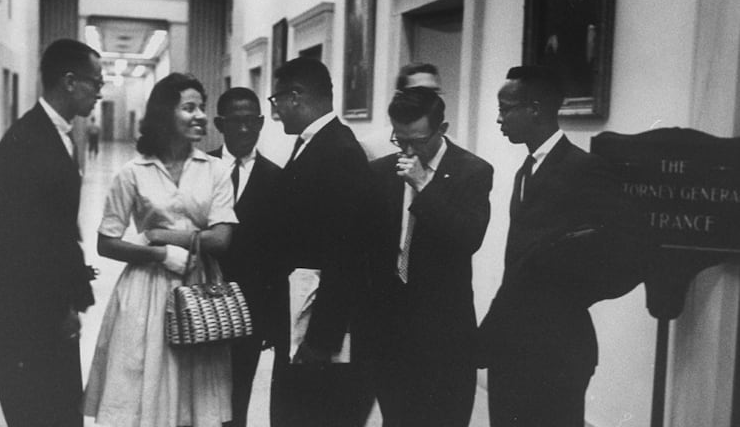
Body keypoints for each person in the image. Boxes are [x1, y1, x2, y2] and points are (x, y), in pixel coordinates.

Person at [480, 65, 646, 427]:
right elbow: (519, 266)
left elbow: (633, 252)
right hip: (511, 347)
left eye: (506, 108)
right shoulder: (526, 170)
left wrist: (573, 295)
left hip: (558, 352)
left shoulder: (583, 168)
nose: (499, 118)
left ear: (535, 109)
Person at [83, 73, 238, 427]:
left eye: (202, 107)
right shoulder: (132, 173)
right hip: (146, 293)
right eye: (189, 107)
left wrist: (159, 235)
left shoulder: (216, 170)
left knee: (193, 395)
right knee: (144, 385)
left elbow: (222, 239)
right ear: (165, 113)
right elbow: (106, 242)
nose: (200, 115)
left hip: (200, 290)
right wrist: (157, 253)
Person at [0, 38, 100, 426]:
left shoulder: (55, 134)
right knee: (42, 413)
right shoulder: (27, 142)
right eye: (95, 83)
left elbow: (58, 227)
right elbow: (22, 245)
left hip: (44, 314)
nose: (99, 92)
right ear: (69, 81)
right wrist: (60, 310)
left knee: (62, 412)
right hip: (30, 321)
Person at [369, 87, 493, 427]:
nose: (408, 151)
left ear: (443, 129)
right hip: (391, 332)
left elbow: (469, 239)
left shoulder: (473, 172)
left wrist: (425, 186)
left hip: (445, 335)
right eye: (400, 139)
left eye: (419, 141)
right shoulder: (380, 172)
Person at [267, 57, 374, 427]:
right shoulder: (313, 145)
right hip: (299, 318)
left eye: (276, 99)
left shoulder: (339, 153)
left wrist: (322, 339)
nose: (275, 110)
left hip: (317, 332)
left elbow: (348, 257)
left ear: (295, 97)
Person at [209, 87, 282, 427]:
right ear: (219, 124)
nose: (243, 130)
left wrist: (269, 318)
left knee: (239, 395)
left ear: (262, 123)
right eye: (235, 122)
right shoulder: (200, 170)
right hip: (201, 300)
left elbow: (277, 257)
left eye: (251, 122)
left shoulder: (277, 179)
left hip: (250, 309)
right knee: (198, 395)